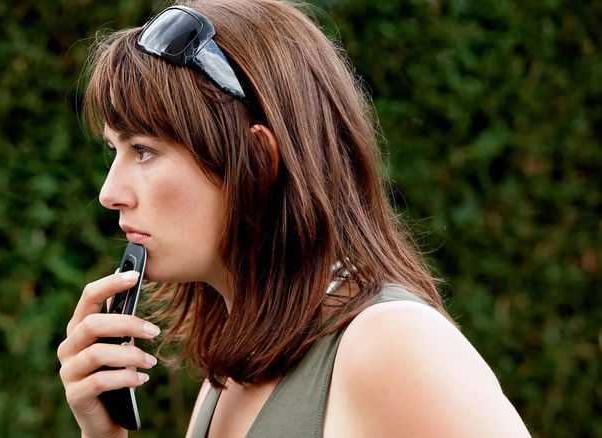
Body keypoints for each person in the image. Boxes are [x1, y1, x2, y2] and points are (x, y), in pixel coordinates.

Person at [56, 0, 531, 436]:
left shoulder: (391, 345)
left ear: (258, 160)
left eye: (143, 150)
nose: (109, 194)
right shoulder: (230, 379)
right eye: (115, 150)